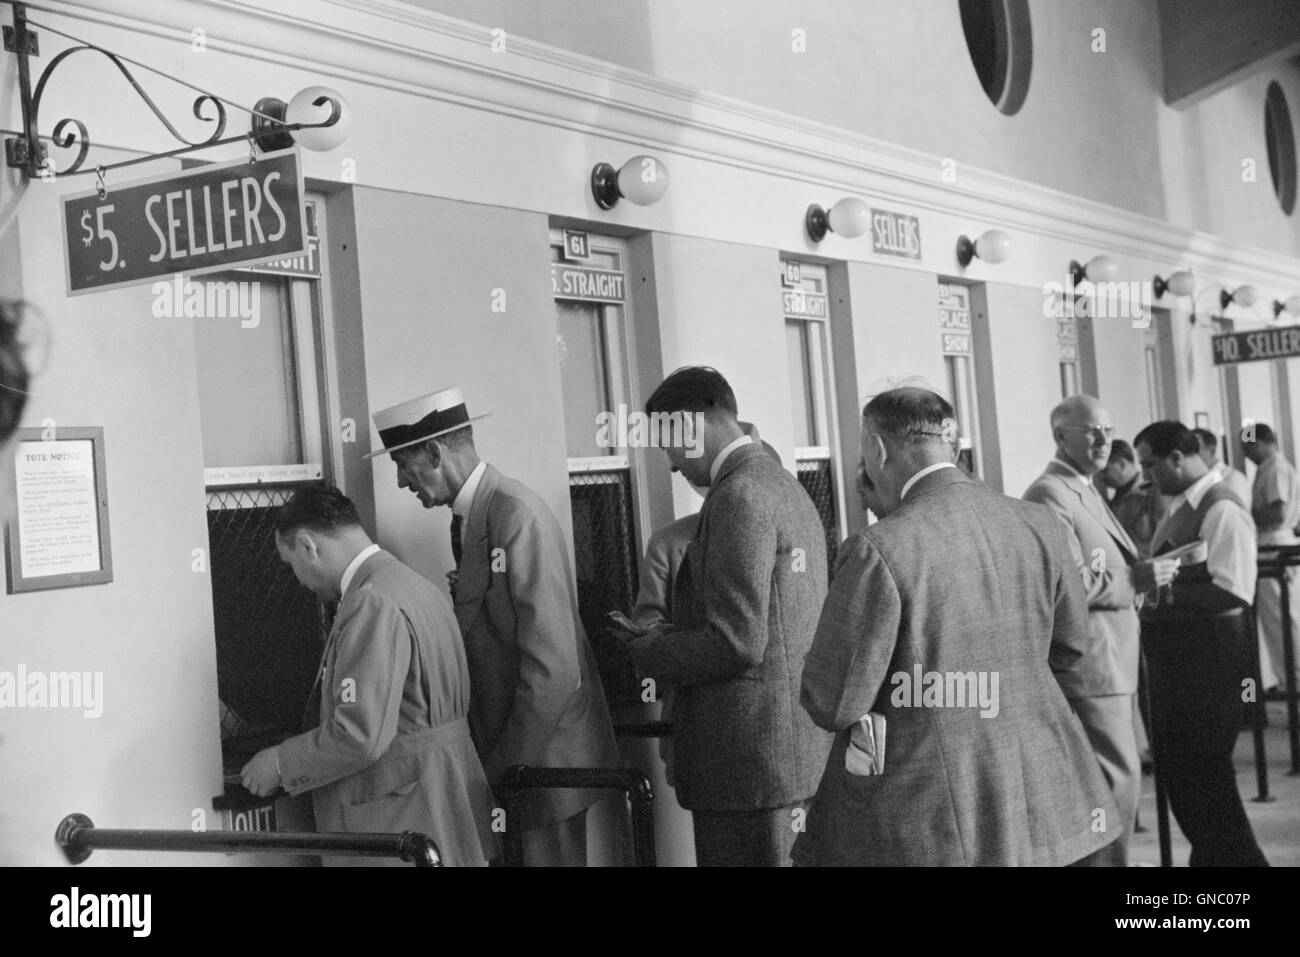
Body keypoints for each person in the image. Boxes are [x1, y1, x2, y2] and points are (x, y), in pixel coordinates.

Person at [795, 386, 1119, 866]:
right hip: (1049, 792)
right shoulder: (1038, 523)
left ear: (878, 449)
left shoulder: (878, 548)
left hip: (932, 811)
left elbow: (834, 701)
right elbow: (1071, 647)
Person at [368, 387, 618, 866]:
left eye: (403, 464)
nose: (402, 482)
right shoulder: (472, 519)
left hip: (543, 763)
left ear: (436, 453)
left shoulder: (514, 515)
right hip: (516, 756)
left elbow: (555, 670)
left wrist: (504, 769)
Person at [607, 367, 832, 866]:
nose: (669, 465)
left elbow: (736, 642)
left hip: (747, 769)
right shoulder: (782, 485)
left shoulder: (739, 497)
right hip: (787, 760)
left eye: (668, 443)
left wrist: (650, 647)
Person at [240, 486, 496, 867]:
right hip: (450, 803)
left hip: (402, 814)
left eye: (291, 564)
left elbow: (360, 734)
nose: (299, 580)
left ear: (309, 546)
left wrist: (280, 764)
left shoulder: (369, 603)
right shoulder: (414, 585)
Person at [1023, 396, 1178, 865]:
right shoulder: (1051, 492)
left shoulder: (1086, 489)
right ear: (1060, 436)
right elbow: (1066, 582)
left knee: (1117, 781)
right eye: (1090, 430)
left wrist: (1145, 576)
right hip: (1091, 663)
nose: (1103, 439)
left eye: (1108, 430)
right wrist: (1136, 579)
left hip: (1116, 659)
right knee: (1114, 782)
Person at [1135, 421, 1268, 866]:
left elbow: (1234, 591)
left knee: (1205, 783)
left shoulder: (1222, 509)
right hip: (1183, 666)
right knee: (1189, 785)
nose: (1147, 475)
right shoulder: (1181, 505)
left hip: (1210, 667)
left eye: (1151, 464)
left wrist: (1152, 598)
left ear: (1177, 457)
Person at [1242, 423, 1300, 694]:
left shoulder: (1275, 468)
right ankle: (1289, 678)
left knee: (1283, 620)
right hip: (1270, 543)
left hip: (1275, 544)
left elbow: (1277, 514)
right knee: (1276, 621)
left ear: (1262, 442)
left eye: (1248, 446)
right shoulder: (1267, 468)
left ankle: (1295, 680)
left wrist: (1244, 516)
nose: (1246, 454)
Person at [1096, 439, 1167, 556]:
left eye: (1104, 471)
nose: (1100, 477)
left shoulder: (1155, 493)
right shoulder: (1113, 500)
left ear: (1121, 464)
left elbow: (1164, 542)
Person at [1193, 427, 1251, 503]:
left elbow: (1237, 512)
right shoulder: (1194, 479)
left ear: (1211, 449)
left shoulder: (1233, 478)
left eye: (1195, 450)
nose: (1191, 455)